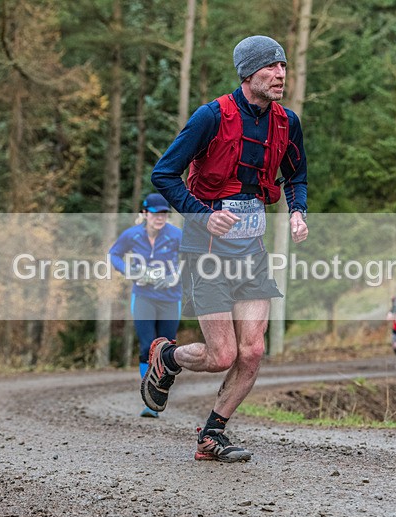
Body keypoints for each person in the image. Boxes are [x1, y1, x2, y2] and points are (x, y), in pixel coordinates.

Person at [142, 35, 309, 462]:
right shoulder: (210, 117)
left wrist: (297, 211)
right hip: (207, 248)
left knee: (252, 351)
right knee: (222, 355)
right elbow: (164, 174)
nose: (280, 75)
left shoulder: (287, 123)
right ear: (249, 73)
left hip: (250, 249)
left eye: (284, 67)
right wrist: (200, 213)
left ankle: (212, 435)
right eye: (272, 68)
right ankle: (168, 357)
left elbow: (297, 176)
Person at [109, 193, 182, 418]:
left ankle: (160, 391)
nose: (159, 218)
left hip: (170, 298)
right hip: (143, 296)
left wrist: (175, 277)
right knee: (146, 347)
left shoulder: (176, 234)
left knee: (167, 349)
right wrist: (130, 272)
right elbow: (114, 254)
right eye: (155, 213)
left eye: (163, 214)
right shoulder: (132, 235)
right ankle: (150, 401)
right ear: (144, 214)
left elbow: (192, 257)